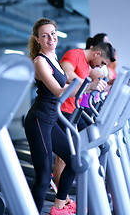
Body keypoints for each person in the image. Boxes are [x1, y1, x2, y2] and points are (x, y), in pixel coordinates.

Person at [24, 18, 107, 215]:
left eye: (53, 33)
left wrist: (91, 83)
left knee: (74, 161)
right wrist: (88, 86)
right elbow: (59, 92)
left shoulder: (54, 59)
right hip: (39, 120)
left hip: (52, 120)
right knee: (43, 178)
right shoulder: (40, 61)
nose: (50, 38)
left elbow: (71, 83)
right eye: (45, 35)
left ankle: (59, 207)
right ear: (37, 40)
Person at [53, 40, 115, 204]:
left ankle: (85, 191)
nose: (99, 66)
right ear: (97, 54)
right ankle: (63, 199)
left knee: (99, 143)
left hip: (73, 110)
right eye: (101, 62)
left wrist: (103, 83)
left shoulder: (88, 65)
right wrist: (87, 84)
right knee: (64, 158)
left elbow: (100, 79)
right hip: (62, 111)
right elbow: (66, 74)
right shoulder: (74, 54)